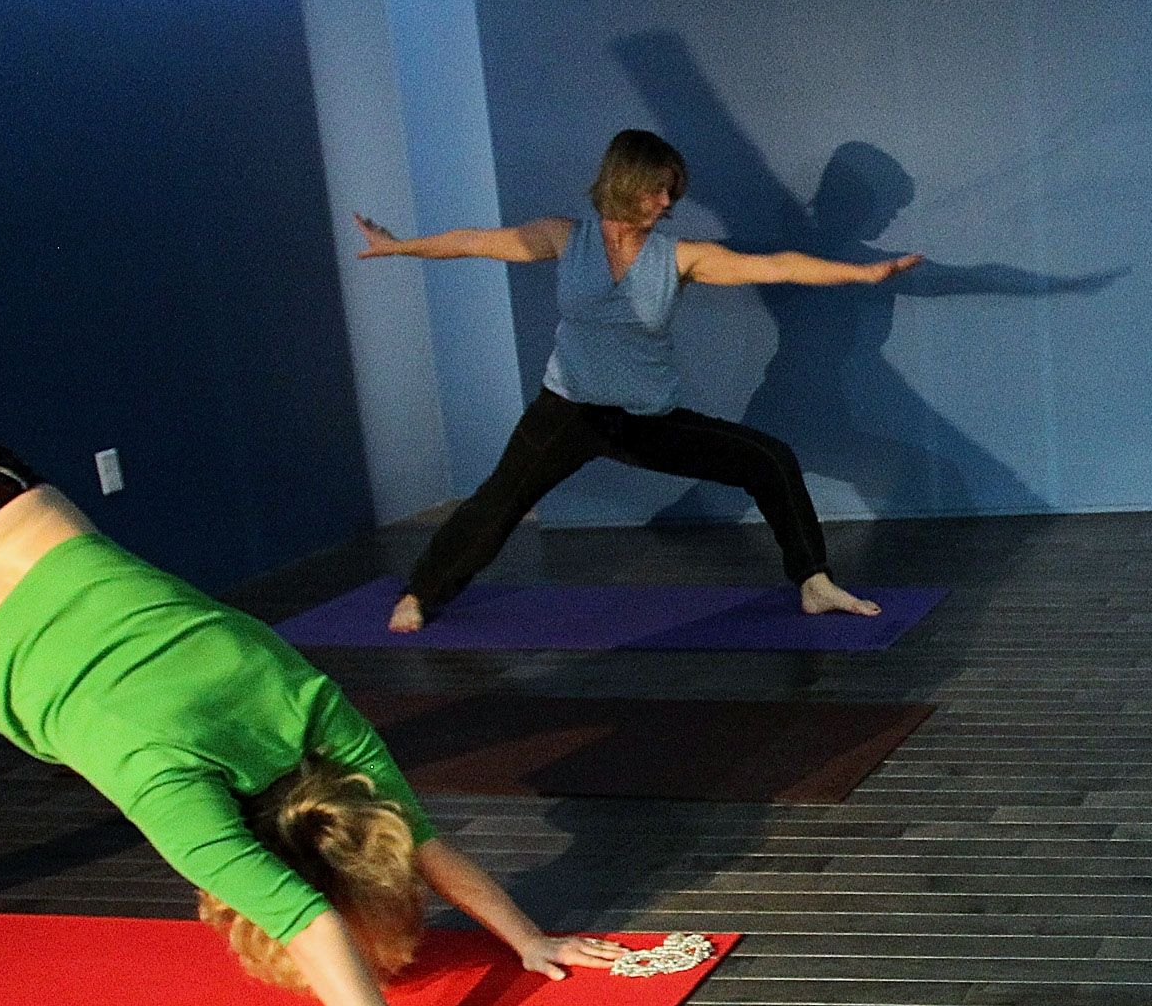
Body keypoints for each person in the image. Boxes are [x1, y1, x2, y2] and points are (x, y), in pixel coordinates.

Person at [0, 397, 629, 1006]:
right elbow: (302, 915)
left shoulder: (306, 707)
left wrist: (528, 937)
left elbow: (423, 845)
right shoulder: (167, 788)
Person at [354, 127, 920, 633]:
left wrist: (862, 272)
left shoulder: (680, 257)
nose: (667, 201)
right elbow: (474, 241)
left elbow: (778, 265)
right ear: (625, 181)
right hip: (568, 411)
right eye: (657, 188)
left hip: (648, 419)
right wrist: (399, 246)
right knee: (494, 506)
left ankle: (814, 583)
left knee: (768, 459)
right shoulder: (562, 237)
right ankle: (421, 593)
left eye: (672, 190)